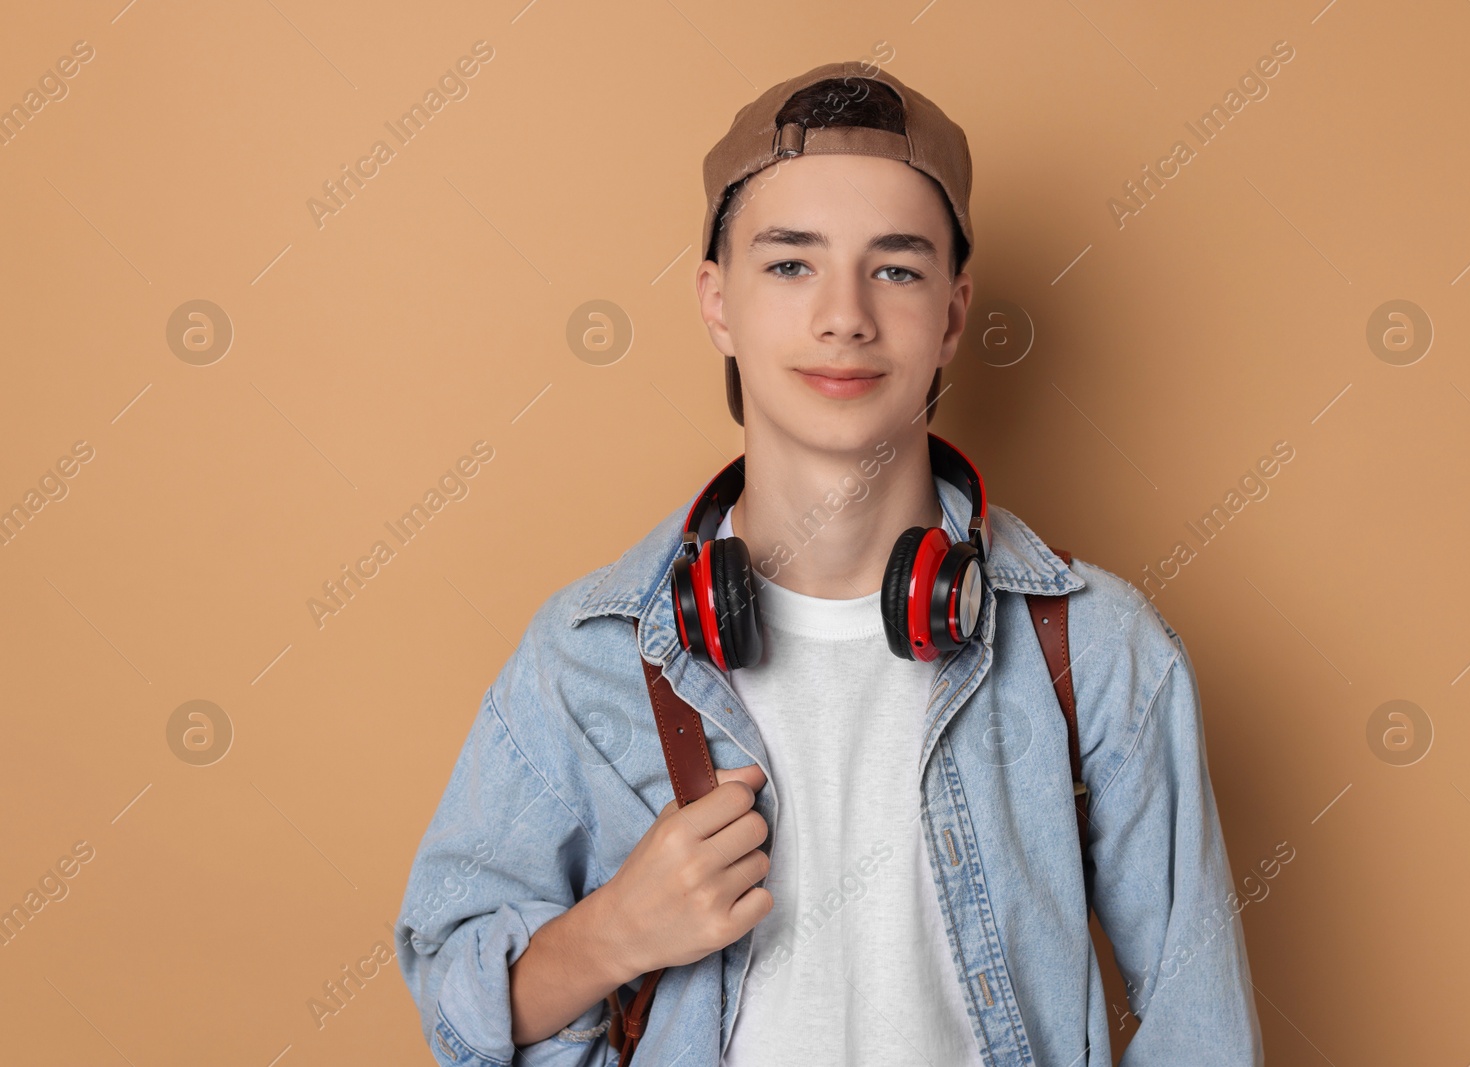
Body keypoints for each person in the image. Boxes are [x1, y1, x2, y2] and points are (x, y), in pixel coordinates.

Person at [396, 58, 1265, 1067]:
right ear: (715, 301)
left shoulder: (1099, 649)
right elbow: (454, 1004)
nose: (844, 315)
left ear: (950, 314)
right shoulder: (587, 650)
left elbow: (1200, 1025)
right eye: (790, 263)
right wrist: (612, 933)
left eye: (894, 267)